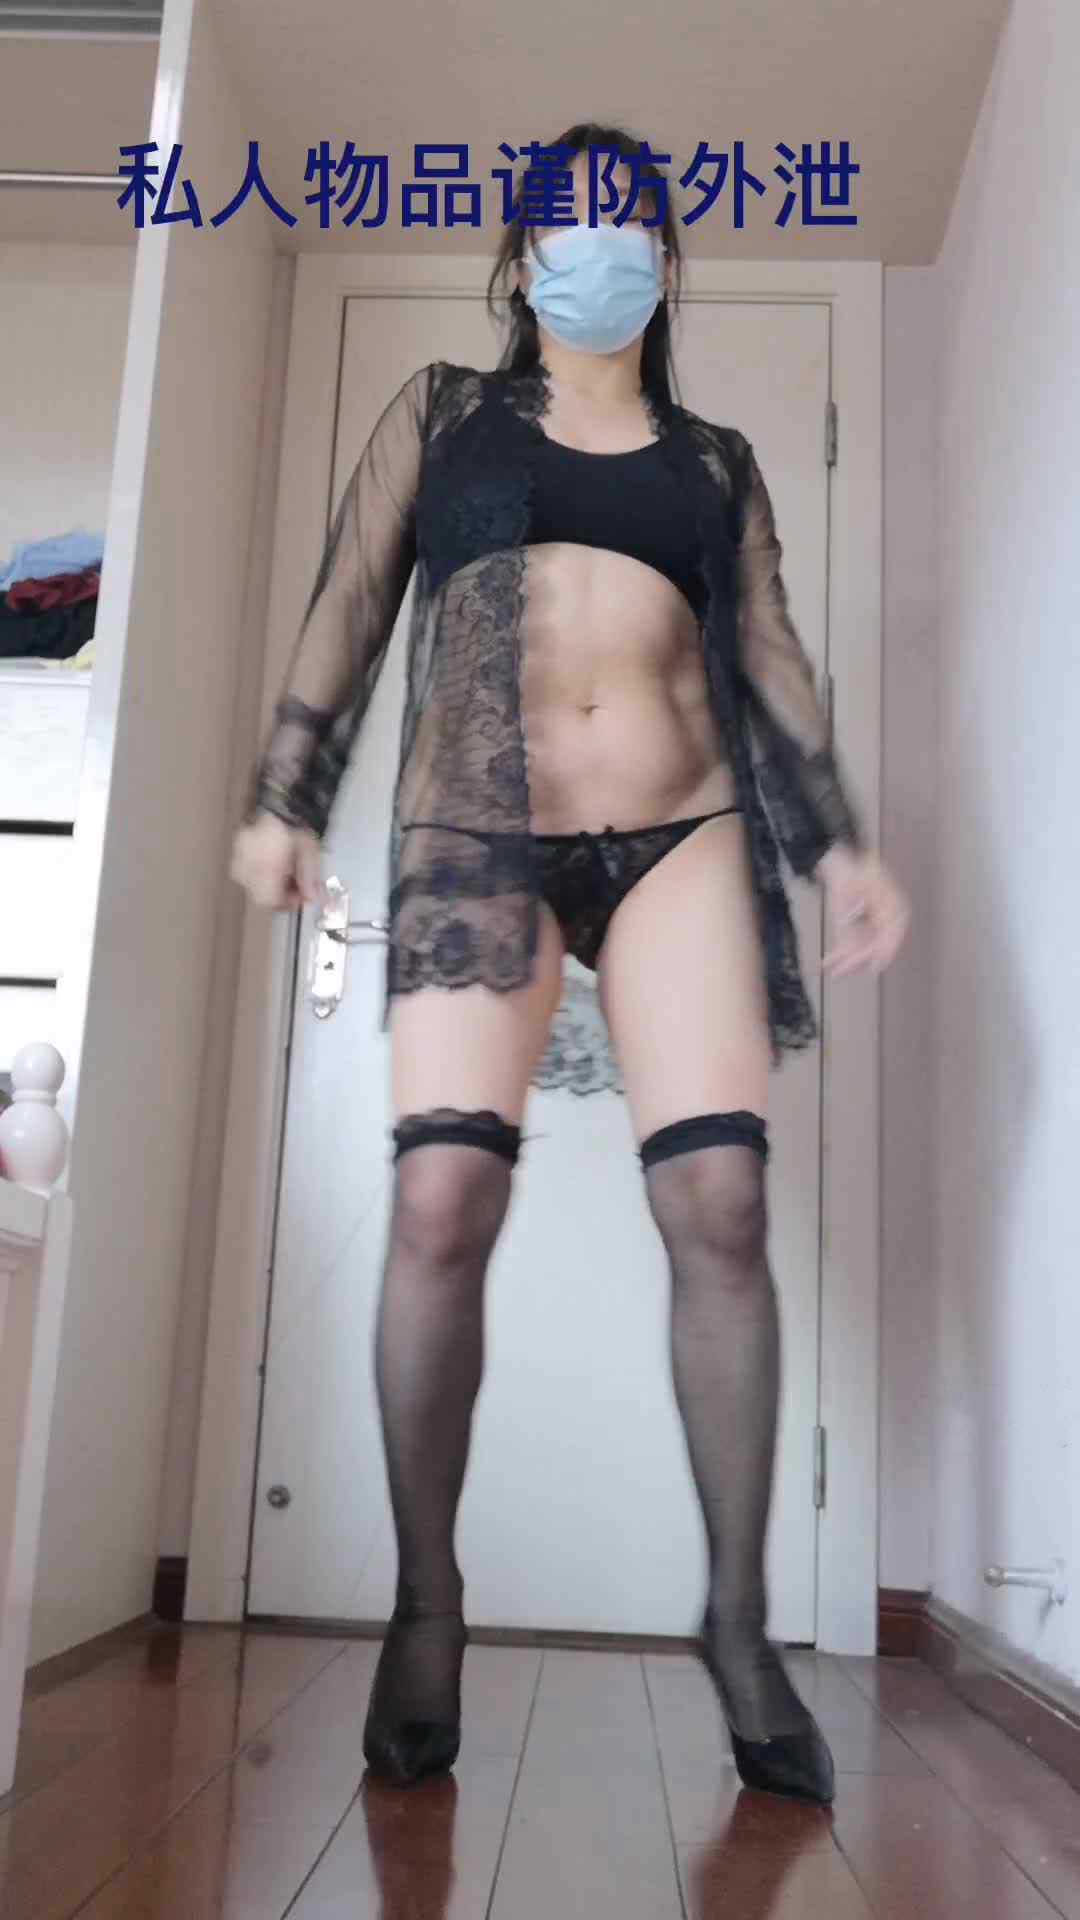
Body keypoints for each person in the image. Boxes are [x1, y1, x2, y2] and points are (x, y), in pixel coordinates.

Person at [230, 121, 911, 1807]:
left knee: (723, 1205)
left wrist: (842, 843)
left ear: (664, 266)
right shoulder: (446, 415)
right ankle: (427, 1607)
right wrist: (285, 796)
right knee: (442, 1202)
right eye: (561, 222)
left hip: (682, 834)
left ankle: (739, 1624)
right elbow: (349, 603)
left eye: (623, 225)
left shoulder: (716, 461)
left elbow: (771, 656)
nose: (591, 247)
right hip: (483, 827)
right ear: (522, 258)